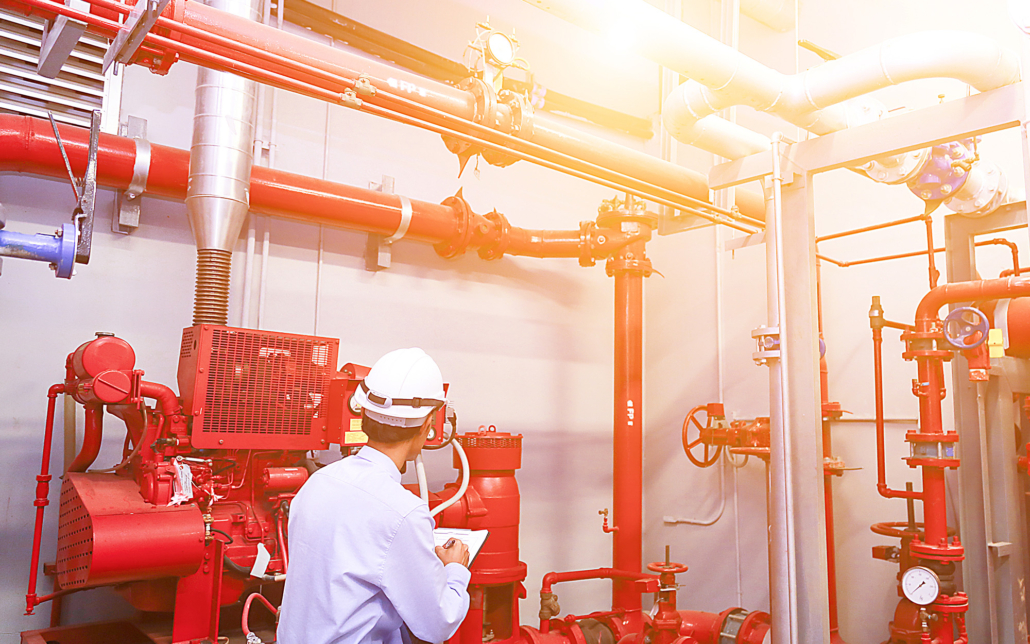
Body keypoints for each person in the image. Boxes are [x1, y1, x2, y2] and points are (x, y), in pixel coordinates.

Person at [278, 348, 471, 644]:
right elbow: (438, 624)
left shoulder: (317, 483)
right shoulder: (403, 513)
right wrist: (455, 569)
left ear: (364, 412)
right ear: (429, 422)